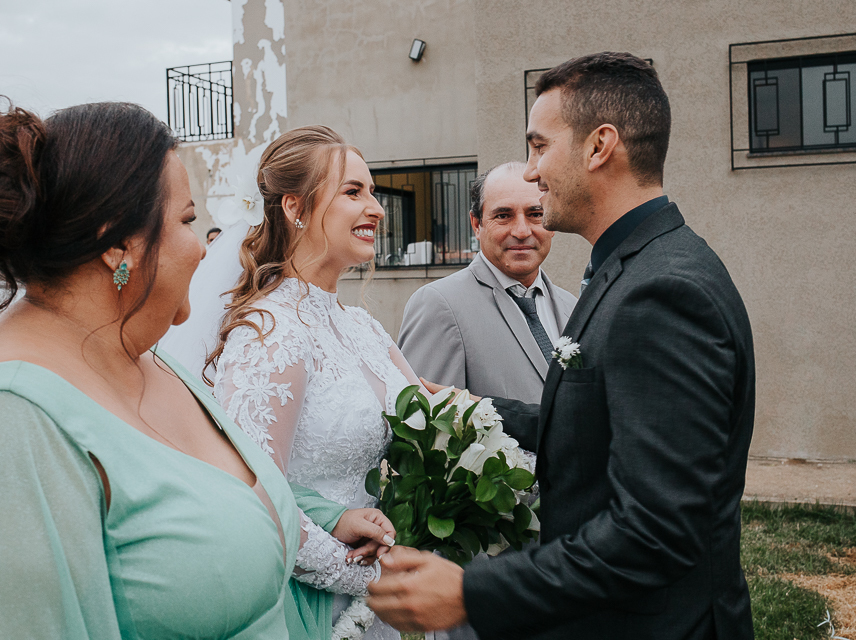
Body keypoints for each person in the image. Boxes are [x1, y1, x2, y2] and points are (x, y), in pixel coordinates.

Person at [0, 100, 387, 640]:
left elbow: (211, 485)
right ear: (119, 244)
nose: (204, 250)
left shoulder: (153, 363)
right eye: (187, 221)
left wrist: (329, 515)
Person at [369, 52, 756, 640]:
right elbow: (594, 422)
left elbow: (655, 531)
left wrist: (472, 592)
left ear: (600, 147)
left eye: (539, 147)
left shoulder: (662, 293)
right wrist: (475, 409)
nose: (531, 171)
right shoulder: (635, 267)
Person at [206, 125, 425, 640]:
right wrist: (367, 576)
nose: (376, 208)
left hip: (375, 596)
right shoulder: (270, 332)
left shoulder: (363, 327)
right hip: (307, 600)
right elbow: (251, 491)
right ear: (295, 208)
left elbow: (432, 418)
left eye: (372, 192)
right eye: (353, 192)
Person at [398, 161, 577, 405]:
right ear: (476, 224)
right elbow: (422, 418)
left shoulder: (572, 307)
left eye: (536, 214)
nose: (522, 231)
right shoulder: (438, 305)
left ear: (552, 221)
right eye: (503, 216)